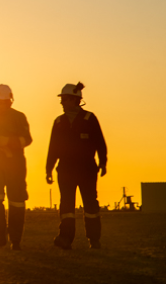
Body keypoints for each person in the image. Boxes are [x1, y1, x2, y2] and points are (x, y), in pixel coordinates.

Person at [45, 82, 107, 250]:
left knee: (90, 205)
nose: (61, 103)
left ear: (75, 100)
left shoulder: (89, 119)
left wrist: (103, 162)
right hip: (65, 169)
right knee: (66, 206)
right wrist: (48, 169)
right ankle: (65, 238)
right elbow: (53, 148)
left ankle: (94, 240)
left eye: (64, 99)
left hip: (87, 169)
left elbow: (100, 142)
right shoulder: (59, 122)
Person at [0, 84, 32, 250]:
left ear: (10, 102)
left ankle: (15, 239)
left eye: (3, 102)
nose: (0, 106)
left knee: (17, 202)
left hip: (15, 164)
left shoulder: (19, 117)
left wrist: (9, 143)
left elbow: (27, 139)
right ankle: (1, 228)